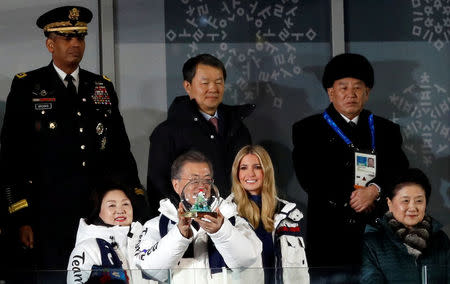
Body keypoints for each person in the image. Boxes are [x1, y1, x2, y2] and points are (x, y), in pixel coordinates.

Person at [0, 6, 148, 272]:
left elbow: (120, 151)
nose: (75, 44)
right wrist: (20, 216)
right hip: (47, 213)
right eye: (67, 38)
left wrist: (135, 199)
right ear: (50, 44)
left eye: (80, 37)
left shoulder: (101, 86)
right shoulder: (27, 86)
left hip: (96, 212)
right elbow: (12, 156)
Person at [291, 53, 409, 272]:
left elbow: (400, 171)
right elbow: (310, 179)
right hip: (330, 236)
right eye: (343, 87)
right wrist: (354, 198)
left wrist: (374, 190)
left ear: (367, 92)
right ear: (330, 92)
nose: (350, 94)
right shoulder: (307, 130)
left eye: (357, 87)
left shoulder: (386, 130)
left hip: (376, 231)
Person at [146, 53, 254, 217]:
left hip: (237, 220)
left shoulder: (238, 127)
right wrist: (187, 219)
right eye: (205, 83)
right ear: (187, 86)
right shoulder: (167, 132)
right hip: (191, 224)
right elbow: (158, 185)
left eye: (219, 82)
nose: (213, 88)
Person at [135, 150, 262, 283]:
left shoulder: (232, 219)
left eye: (207, 180)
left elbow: (248, 261)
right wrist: (180, 235)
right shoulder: (156, 225)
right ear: (176, 185)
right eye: (194, 180)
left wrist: (221, 231)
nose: (202, 186)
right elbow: (149, 270)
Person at [228, 145, 309, 284]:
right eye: (244, 168)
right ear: (236, 173)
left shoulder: (288, 213)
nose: (250, 174)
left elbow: (299, 270)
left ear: (266, 171)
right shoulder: (227, 212)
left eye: (257, 167)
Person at [361, 168, 449, 283]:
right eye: (405, 201)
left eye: (419, 201)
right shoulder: (372, 245)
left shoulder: (441, 240)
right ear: (390, 203)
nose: (412, 208)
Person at [67, 184, 150, 284]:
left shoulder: (146, 239)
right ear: (97, 210)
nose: (120, 210)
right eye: (112, 205)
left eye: (125, 204)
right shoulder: (86, 249)